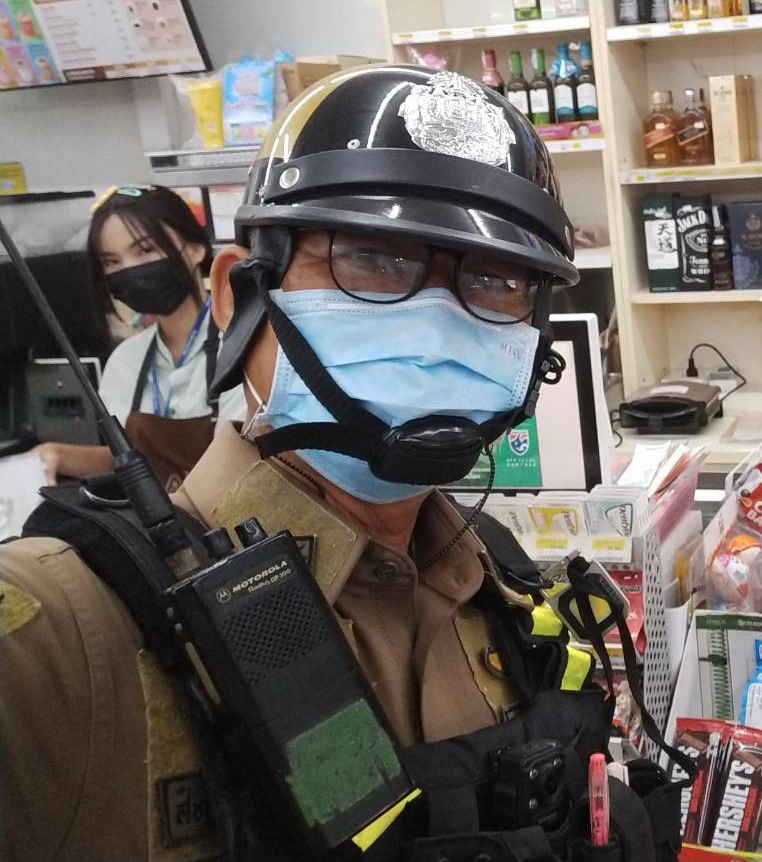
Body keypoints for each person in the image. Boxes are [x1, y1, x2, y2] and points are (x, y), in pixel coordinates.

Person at [0, 65, 622, 861]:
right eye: (372, 259)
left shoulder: (505, 586)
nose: (437, 320)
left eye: (496, 279)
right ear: (238, 298)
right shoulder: (63, 631)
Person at [29, 184, 245, 487]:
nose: (128, 270)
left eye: (144, 250)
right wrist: (56, 454)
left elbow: (239, 461)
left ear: (195, 249)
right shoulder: (126, 360)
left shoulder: (243, 345)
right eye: (111, 261)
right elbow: (125, 460)